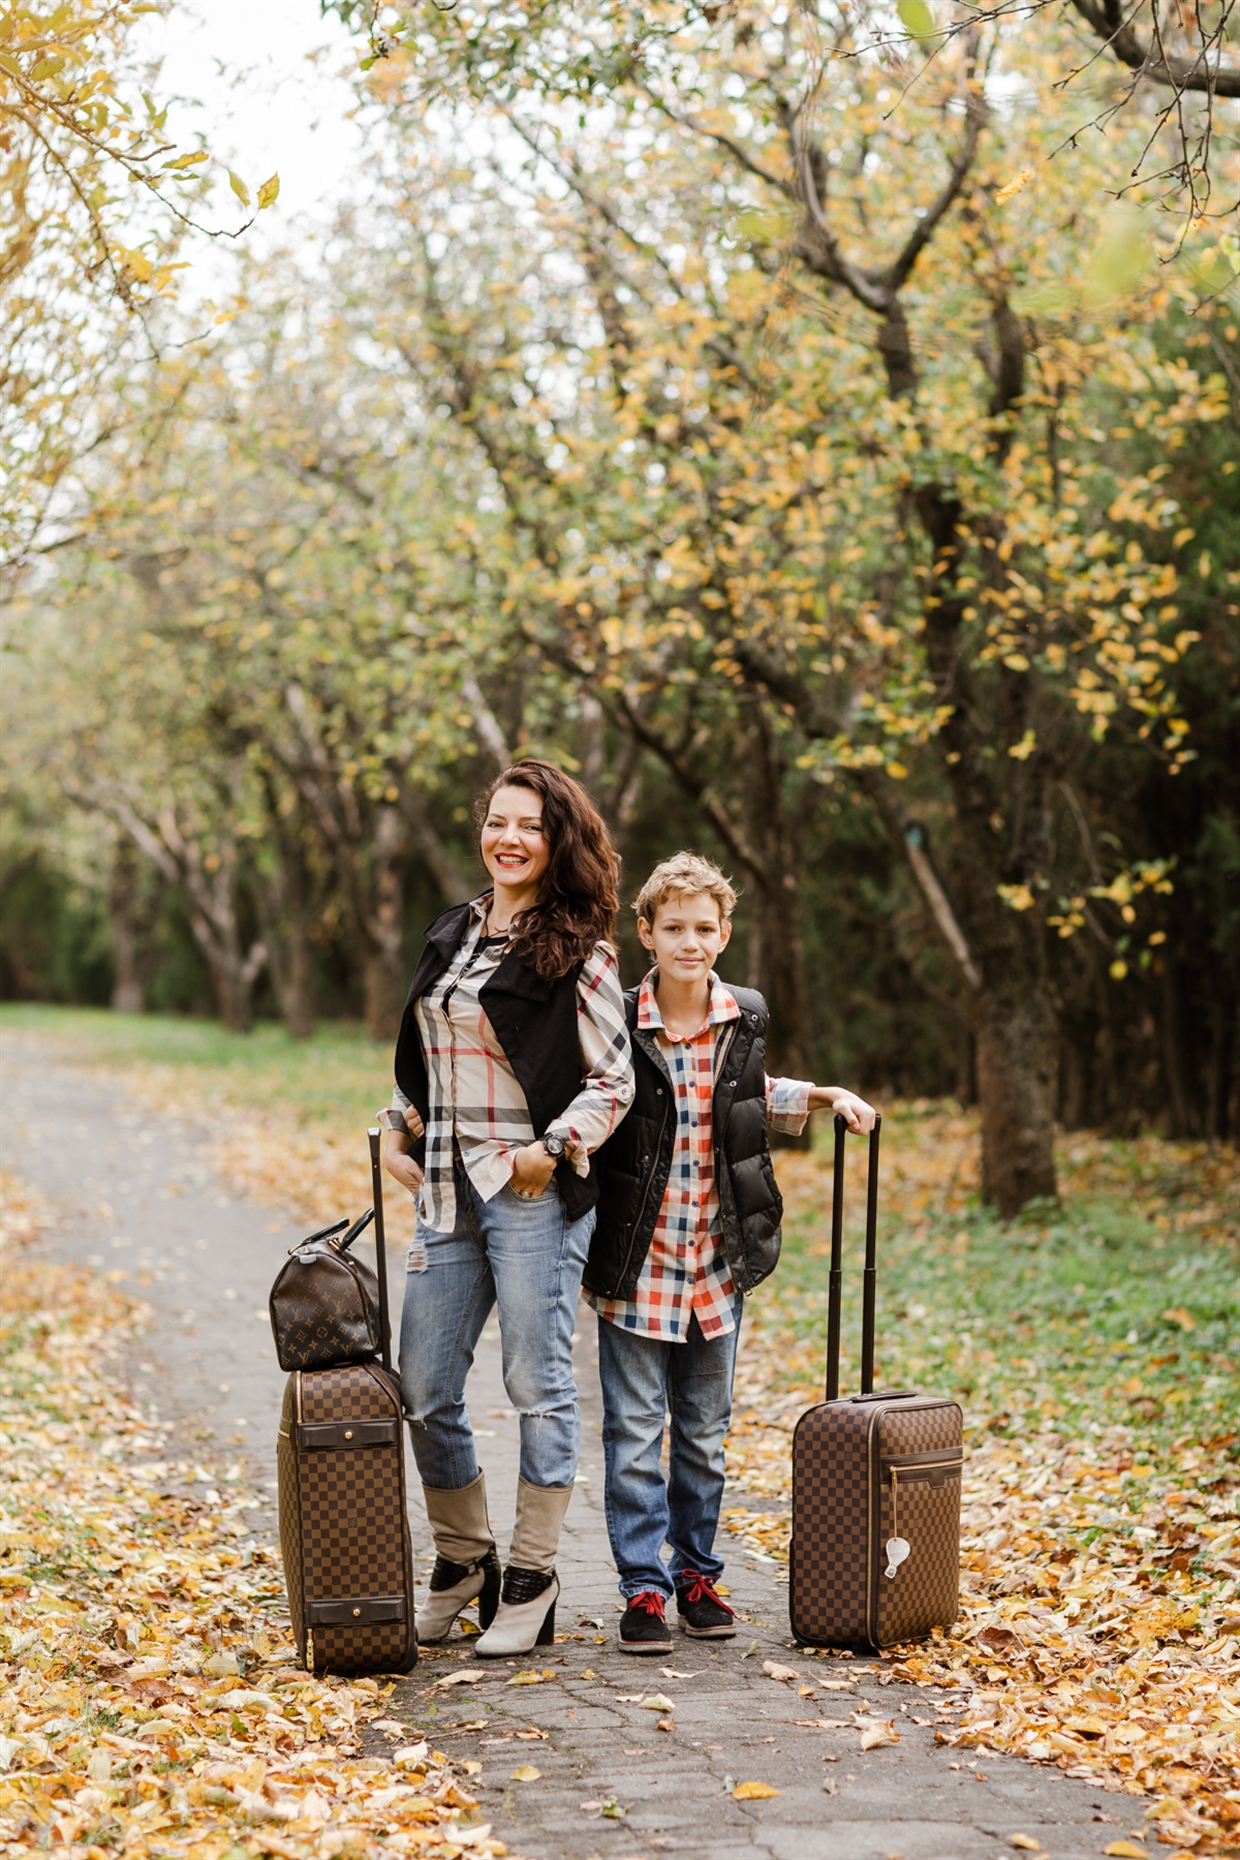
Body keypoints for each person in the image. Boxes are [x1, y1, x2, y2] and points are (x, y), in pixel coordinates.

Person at [583, 852, 876, 1653]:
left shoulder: (742, 1016)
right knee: (637, 1435)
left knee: (705, 1435)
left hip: (717, 1264)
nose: (689, 941)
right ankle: (643, 1591)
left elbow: (758, 1091)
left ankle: (697, 1576)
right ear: (644, 932)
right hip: (636, 1264)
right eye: (672, 927)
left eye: (703, 928)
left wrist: (826, 1096)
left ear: (724, 934)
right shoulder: (613, 1015)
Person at [382, 760, 634, 1658]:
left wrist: (550, 1149)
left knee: (537, 1386)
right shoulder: (450, 933)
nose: (509, 838)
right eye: (498, 821)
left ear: (556, 840)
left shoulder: (580, 949)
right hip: (449, 1194)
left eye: (529, 825)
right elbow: (430, 1062)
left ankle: (531, 1578)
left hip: (532, 1196)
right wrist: (394, 1128)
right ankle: (462, 1564)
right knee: (423, 1390)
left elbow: (615, 1081)